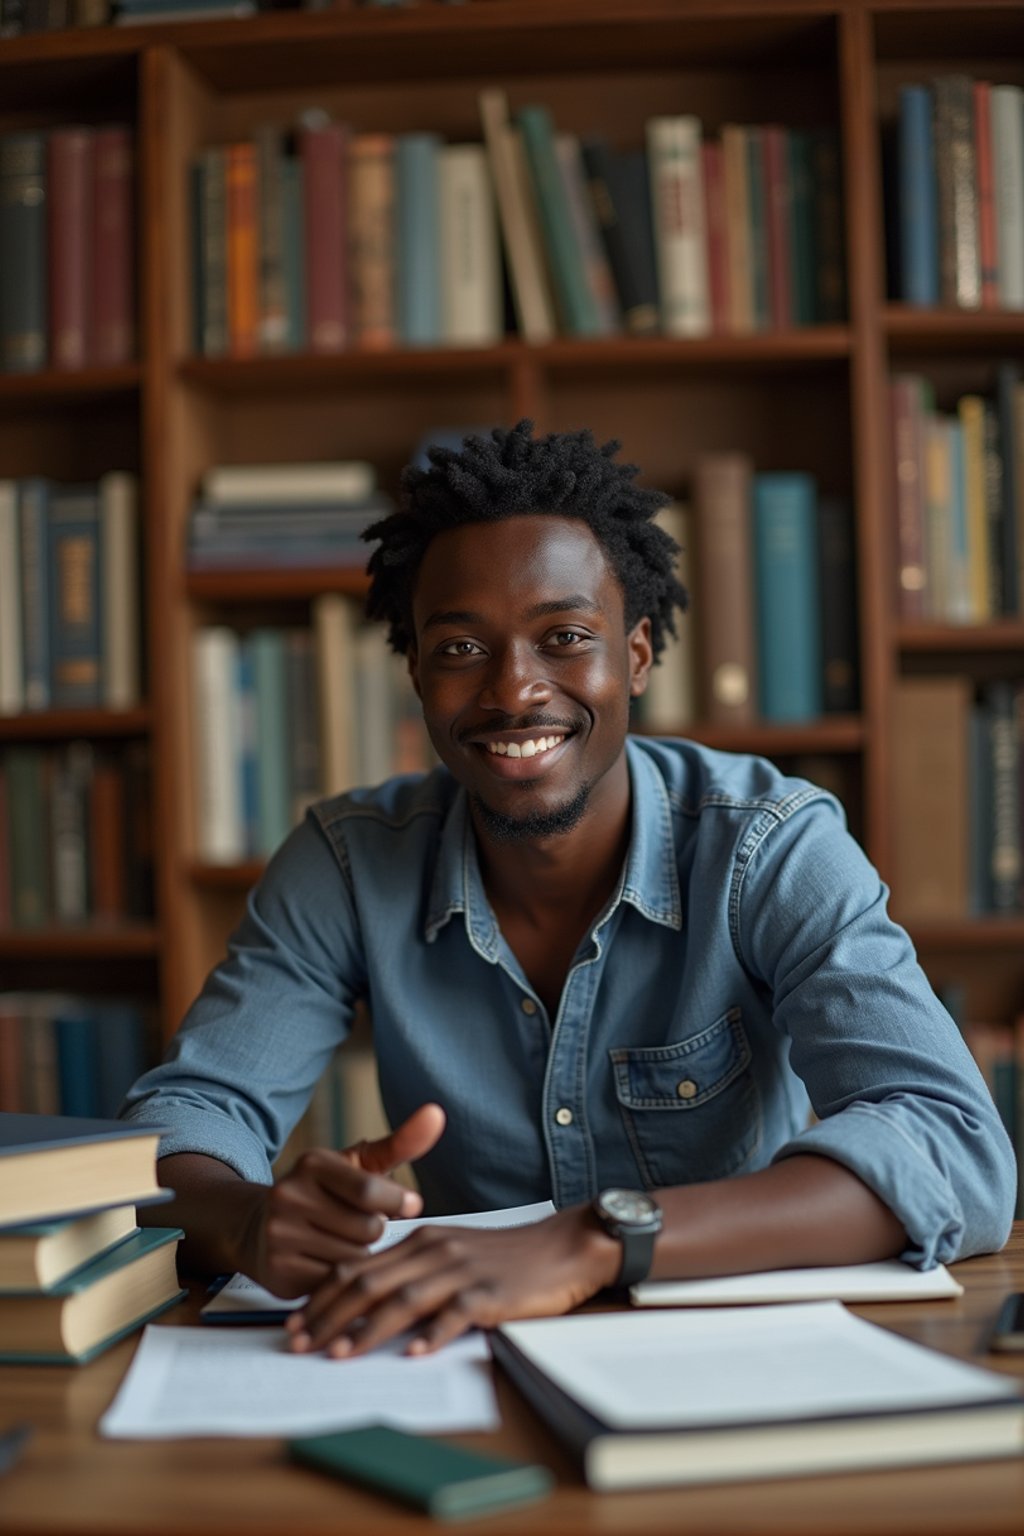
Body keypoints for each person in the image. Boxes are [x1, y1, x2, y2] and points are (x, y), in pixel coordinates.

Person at [122, 421, 1015, 1360]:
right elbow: (181, 1126)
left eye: (565, 637)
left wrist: (597, 1239)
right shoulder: (348, 862)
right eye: (462, 648)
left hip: (735, 1344)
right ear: (417, 672)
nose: (515, 690)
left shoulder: (770, 845)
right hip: (457, 1353)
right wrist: (250, 1220)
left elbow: (955, 1147)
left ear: (634, 656)